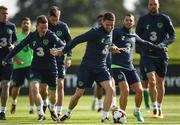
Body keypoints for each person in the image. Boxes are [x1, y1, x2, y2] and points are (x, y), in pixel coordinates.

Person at [50, 12, 122, 122]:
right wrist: (63, 51)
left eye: (112, 25)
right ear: (102, 22)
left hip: (101, 67)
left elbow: (107, 44)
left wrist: (113, 48)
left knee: (111, 89)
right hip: (87, 67)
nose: (109, 27)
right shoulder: (94, 32)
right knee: (79, 94)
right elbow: (76, 40)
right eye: (107, 24)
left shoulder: (111, 32)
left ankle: (105, 117)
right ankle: (68, 113)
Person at [2, 15, 65, 122]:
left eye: (46, 27)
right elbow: (19, 47)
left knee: (53, 95)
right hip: (36, 67)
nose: (44, 30)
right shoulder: (32, 35)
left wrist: (58, 50)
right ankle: (41, 113)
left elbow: (63, 45)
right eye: (42, 28)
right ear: (37, 27)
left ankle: (51, 107)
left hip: (51, 68)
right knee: (34, 88)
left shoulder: (50, 35)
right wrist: (7, 58)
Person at [112, 14, 167, 122]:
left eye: (130, 20)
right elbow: (108, 41)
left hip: (130, 68)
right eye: (126, 20)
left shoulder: (133, 35)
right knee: (125, 89)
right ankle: (122, 115)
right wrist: (112, 47)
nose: (128, 22)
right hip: (117, 66)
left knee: (140, 90)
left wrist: (159, 48)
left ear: (133, 23)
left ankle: (137, 111)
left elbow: (145, 43)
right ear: (123, 21)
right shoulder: (117, 32)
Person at [136, 0, 176, 118]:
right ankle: (154, 108)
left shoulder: (165, 18)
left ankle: (159, 107)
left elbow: (173, 36)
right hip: (147, 55)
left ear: (158, 5)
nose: (152, 6)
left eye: (155, 4)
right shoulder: (143, 19)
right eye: (150, 4)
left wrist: (164, 44)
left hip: (161, 55)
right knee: (151, 80)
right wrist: (140, 50)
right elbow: (136, 37)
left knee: (160, 82)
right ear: (148, 6)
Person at [40, 6, 72, 117]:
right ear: (49, 17)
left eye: (57, 18)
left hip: (59, 61)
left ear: (59, 15)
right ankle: (45, 103)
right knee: (43, 88)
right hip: (46, 61)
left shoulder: (63, 27)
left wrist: (69, 57)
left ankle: (58, 111)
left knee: (60, 85)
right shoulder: (44, 27)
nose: (55, 21)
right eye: (53, 19)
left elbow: (69, 43)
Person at [91, 14, 116, 112]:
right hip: (99, 62)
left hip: (109, 60)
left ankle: (113, 104)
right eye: (100, 21)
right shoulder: (96, 32)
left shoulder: (111, 31)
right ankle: (100, 104)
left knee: (111, 81)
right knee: (98, 85)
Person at [10, 17, 35, 115]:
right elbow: (12, 50)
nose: (26, 25)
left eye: (27, 23)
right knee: (16, 88)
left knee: (32, 87)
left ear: (30, 25)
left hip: (31, 65)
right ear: (21, 25)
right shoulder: (16, 37)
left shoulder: (33, 36)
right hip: (18, 66)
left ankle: (31, 108)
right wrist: (17, 59)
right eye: (24, 23)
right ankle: (14, 102)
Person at [0, 5, 17, 120]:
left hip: (8, 60)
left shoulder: (11, 26)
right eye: (3, 13)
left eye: (7, 13)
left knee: (6, 84)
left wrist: (13, 46)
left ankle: (2, 111)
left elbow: (15, 40)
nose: (5, 15)